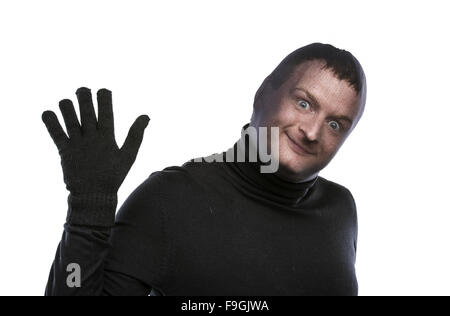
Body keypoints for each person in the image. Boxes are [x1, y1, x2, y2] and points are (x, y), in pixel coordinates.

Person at [42, 42, 367, 296]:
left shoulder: (340, 209)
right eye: (304, 103)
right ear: (263, 94)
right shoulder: (171, 200)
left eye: (335, 124)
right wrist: (88, 209)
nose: (311, 132)